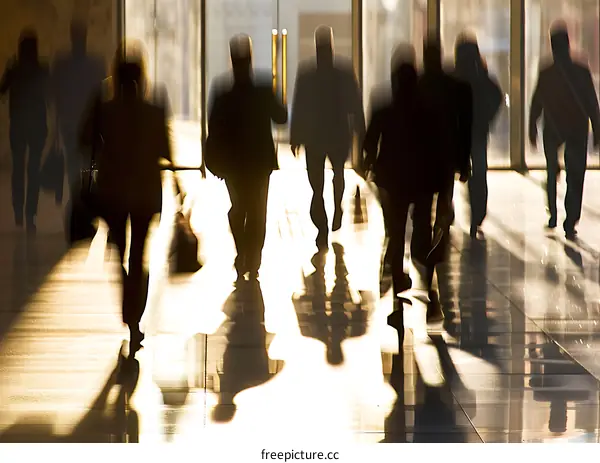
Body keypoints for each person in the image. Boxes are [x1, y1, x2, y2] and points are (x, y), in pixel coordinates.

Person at [78, 40, 173, 355]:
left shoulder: (106, 109)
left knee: (120, 253)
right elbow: (165, 151)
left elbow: (84, 140)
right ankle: (135, 319)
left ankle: (128, 306)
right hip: (145, 192)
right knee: (139, 255)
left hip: (113, 192)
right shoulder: (155, 108)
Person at [207, 34, 287, 283]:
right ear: (250, 60)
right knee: (257, 211)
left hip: (233, 164)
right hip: (260, 162)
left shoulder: (222, 93)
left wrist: (214, 162)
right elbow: (282, 117)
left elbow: (214, 130)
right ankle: (252, 257)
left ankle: (243, 251)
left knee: (240, 206)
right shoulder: (263, 89)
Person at [411, 37, 472, 320]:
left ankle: (424, 248)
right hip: (445, 159)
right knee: (444, 205)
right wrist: (464, 159)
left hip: (423, 161)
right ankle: (440, 240)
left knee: (422, 209)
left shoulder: (417, 86)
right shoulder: (455, 87)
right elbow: (464, 127)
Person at [290, 25, 365, 250]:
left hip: (314, 136)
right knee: (338, 173)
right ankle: (337, 208)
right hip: (338, 133)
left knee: (316, 185)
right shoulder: (343, 72)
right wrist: (360, 132)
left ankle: (322, 226)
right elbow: (355, 104)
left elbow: (299, 105)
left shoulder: (306, 74)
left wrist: (296, 136)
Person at [364, 44, 427, 297]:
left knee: (396, 225)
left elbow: (370, 141)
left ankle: (396, 269)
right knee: (420, 221)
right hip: (418, 174)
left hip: (390, 175)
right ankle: (420, 261)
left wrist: (368, 162)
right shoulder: (424, 109)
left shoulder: (383, 106)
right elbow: (433, 142)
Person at [529, 20, 600, 240]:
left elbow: (536, 103)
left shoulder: (546, 72)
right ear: (568, 44)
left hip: (553, 129)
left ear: (552, 46)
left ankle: (552, 212)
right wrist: (597, 130)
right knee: (575, 174)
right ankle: (571, 219)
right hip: (577, 130)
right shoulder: (580, 71)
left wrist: (532, 128)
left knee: (552, 171)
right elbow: (591, 103)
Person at [0, 29, 51, 233]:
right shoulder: (42, 70)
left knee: (18, 169)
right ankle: (31, 214)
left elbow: (1, 90)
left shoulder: (14, 69)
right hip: (38, 125)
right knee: (34, 170)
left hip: (18, 125)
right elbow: (50, 95)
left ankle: (18, 212)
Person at [454, 35, 503, 239]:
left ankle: (452, 212)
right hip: (477, 132)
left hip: (458, 133)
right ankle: (477, 213)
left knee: (454, 172)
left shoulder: (455, 77)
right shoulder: (482, 76)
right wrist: (487, 119)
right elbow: (497, 97)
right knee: (479, 172)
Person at [52, 20, 106, 197]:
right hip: (87, 120)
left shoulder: (62, 65)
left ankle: (79, 195)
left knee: (75, 161)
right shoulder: (95, 65)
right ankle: (84, 194)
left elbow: (58, 95)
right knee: (88, 162)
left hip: (71, 120)